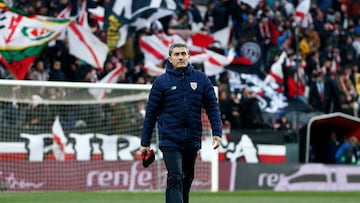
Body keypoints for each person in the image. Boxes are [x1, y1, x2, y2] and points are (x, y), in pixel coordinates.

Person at [140, 43, 222, 203]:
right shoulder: (161, 82)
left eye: (183, 54)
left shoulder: (201, 79)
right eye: (176, 54)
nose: (180, 57)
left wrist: (217, 132)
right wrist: (145, 142)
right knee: (175, 176)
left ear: (189, 57)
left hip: (192, 138)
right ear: (170, 59)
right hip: (170, 138)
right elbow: (151, 114)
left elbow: (212, 107)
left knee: (187, 179)